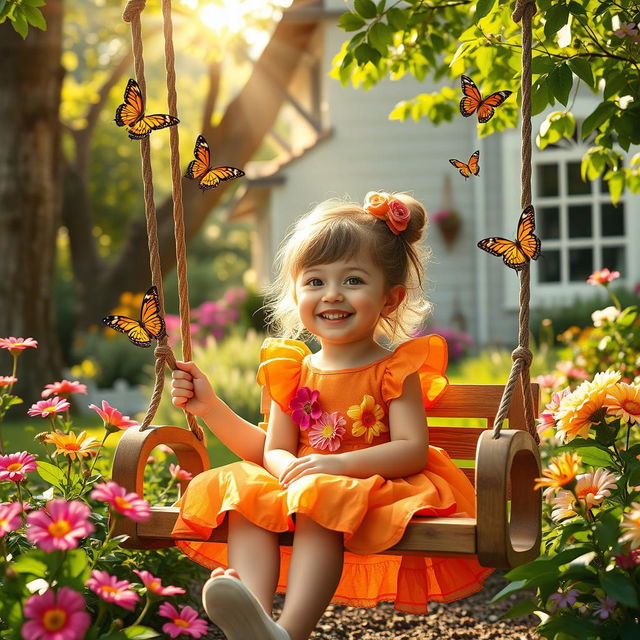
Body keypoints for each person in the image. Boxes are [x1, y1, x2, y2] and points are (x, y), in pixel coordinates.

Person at [170, 192, 493, 640]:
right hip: (308, 484)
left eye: (354, 280)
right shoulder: (293, 368)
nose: (333, 294)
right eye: (315, 281)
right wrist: (210, 407)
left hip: (376, 485)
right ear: (297, 292)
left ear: (390, 299)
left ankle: (290, 631)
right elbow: (273, 451)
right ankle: (254, 620)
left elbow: (411, 451)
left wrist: (334, 466)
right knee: (245, 490)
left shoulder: (393, 369)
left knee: (320, 494)